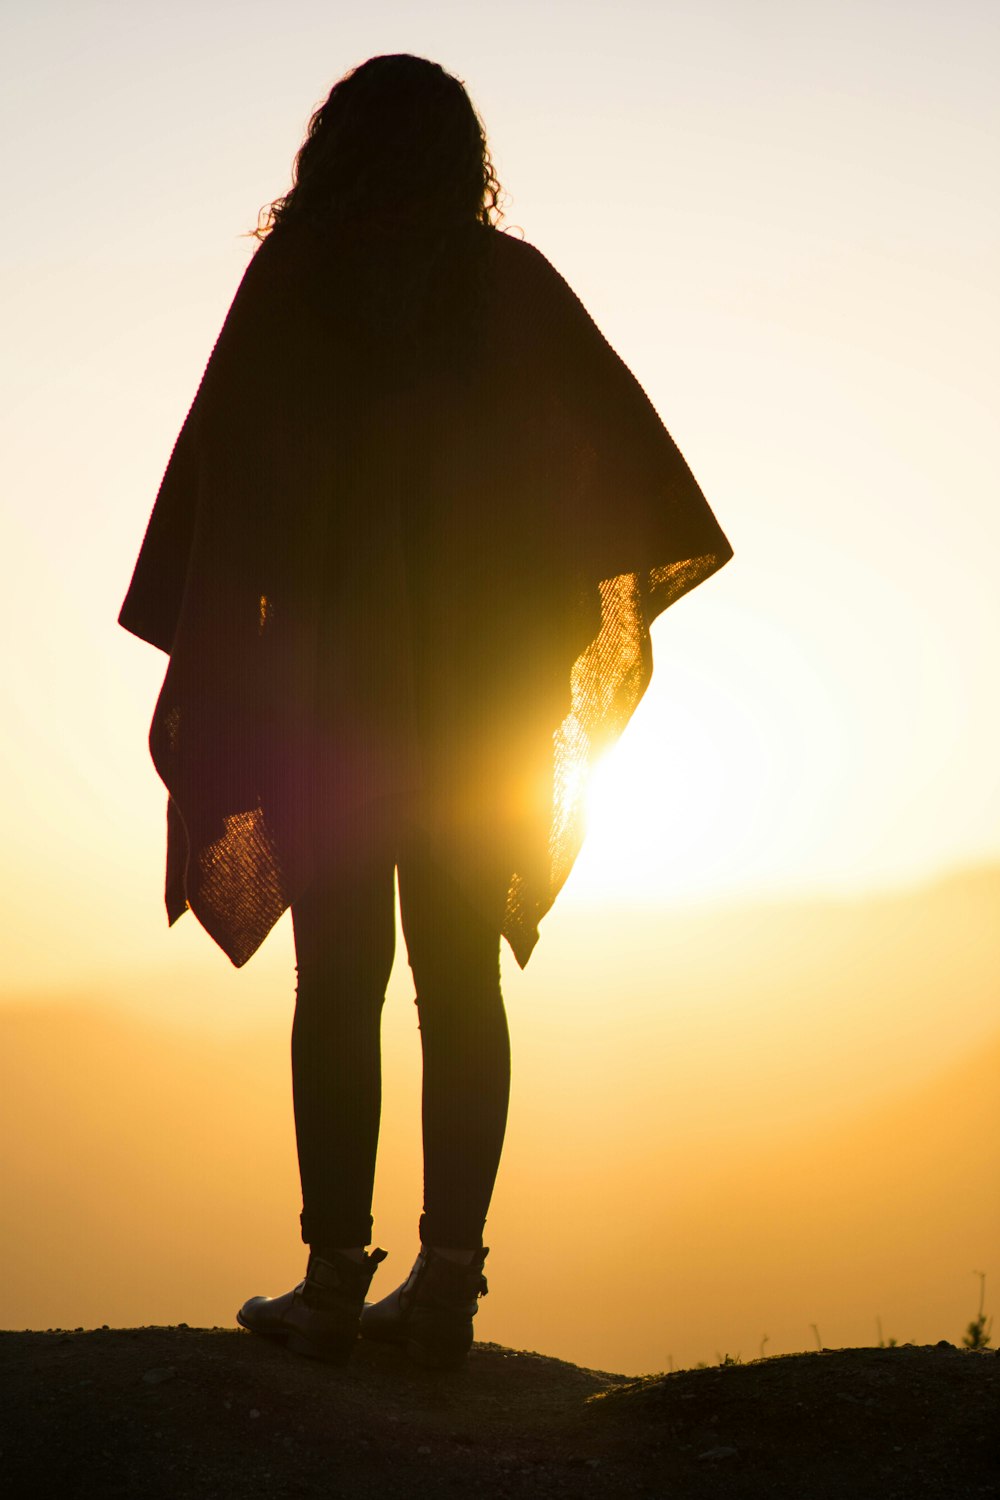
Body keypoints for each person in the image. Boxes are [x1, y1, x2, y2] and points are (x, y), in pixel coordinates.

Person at [118, 53, 733, 1371]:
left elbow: (225, 521)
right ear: (467, 156)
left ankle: (336, 1280)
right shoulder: (507, 288)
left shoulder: (297, 292)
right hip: (482, 707)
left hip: (335, 701)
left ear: (330, 150)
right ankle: (448, 1287)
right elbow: (615, 484)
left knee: (338, 982)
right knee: (458, 986)